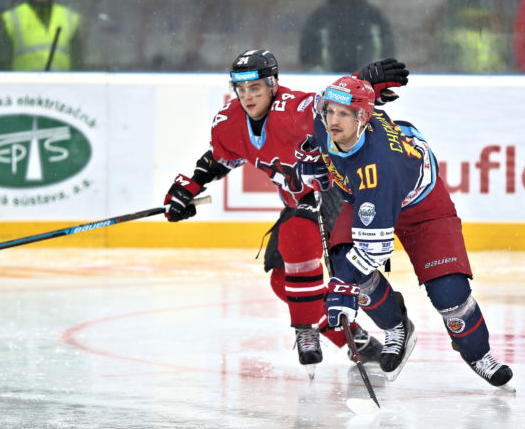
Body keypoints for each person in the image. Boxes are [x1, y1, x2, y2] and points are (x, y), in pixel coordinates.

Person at [163, 49, 408, 376]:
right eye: (241, 89)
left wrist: (362, 81)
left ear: (273, 85)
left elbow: (331, 105)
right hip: (297, 201)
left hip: (332, 191)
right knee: (283, 283)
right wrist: (189, 186)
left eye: (256, 89)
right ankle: (357, 341)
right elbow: (222, 158)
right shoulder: (229, 121)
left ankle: (318, 326)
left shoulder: (292, 108)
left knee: (316, 249)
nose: (247, 97)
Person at [295, 75, 513, 387]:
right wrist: (315, 159)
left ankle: (478, 353)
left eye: (344, 114)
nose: (333, 120)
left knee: (449, 295)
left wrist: (342, 288)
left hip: (423, 209)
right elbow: (323, 128)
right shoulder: (325, 122)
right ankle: (397, 326)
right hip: (365, 199)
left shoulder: (379, 168)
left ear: (362, 118)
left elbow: (375, 250)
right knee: (344, 258)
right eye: (330, 111)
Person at [299, 0, 395, 73]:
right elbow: (308, 49)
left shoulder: (371, 14)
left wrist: (382, 69)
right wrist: (316, 71)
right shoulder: (320, 16)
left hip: (367, 80)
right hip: (330, 80)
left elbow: (387, 42)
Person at [0, 0, 82, 71]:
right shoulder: (13, 17)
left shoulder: (68, 16)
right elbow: (2, 57)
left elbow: (77, 56)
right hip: (24, 83)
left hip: (61, 83)